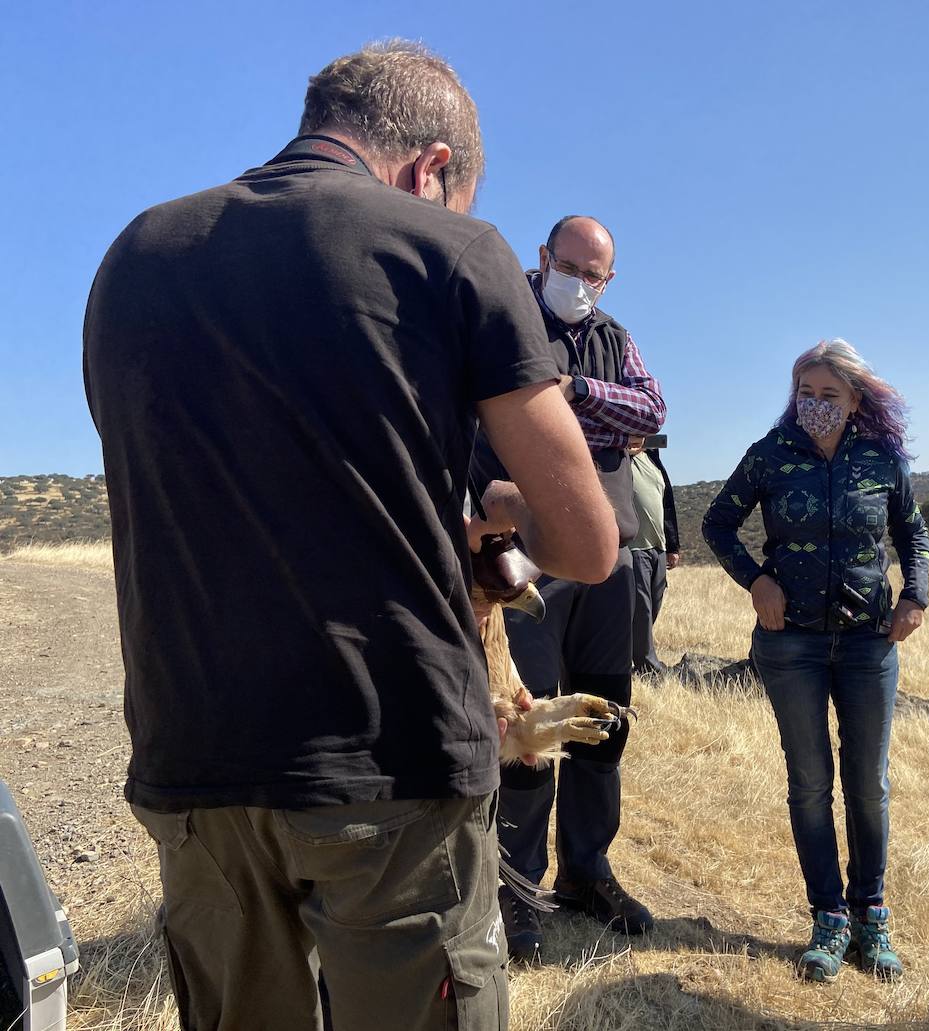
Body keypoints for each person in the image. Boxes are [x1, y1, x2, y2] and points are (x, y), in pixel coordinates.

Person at [83, 42, 618, 1031]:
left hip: (192, 761)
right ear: (431, 169)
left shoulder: (133, 258)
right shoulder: (451, 249)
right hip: (389, 757)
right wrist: (504, 509)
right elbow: (588, 544)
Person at [702, 339, 929, 984]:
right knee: (808, 781)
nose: (817, 405)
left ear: (856, 399)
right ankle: (828, 917)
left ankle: (871, 914)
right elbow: (719, 524)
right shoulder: (770, 454)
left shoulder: (881, 458)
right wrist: (756, 580)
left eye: (830, 395)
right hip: (791, 643)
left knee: (869, 783)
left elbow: (911, 530)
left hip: (867, 642)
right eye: (807, 393)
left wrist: (915, 594)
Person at [470, 215, 666, 962]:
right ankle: (518, 893)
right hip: (525, 559)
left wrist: (575, 390)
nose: (581, 282)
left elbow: (650, 410)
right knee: (525, 726)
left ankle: (589, 870)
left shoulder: (615, 336)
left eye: (596, 273)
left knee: (603, 717)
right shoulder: (501, 316)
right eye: (570, 264)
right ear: (542, 256)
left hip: (608, 557)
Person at [627, 437, 680, 676]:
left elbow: (666, 505)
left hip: (657, 547)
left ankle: (636, 653)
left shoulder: (654, 461)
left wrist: (672, 546)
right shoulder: (617, 464)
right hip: (633, 548)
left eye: (640, 433)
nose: (634, 439)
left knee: (654, 603)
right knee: (642, 608)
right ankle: (647, 665)